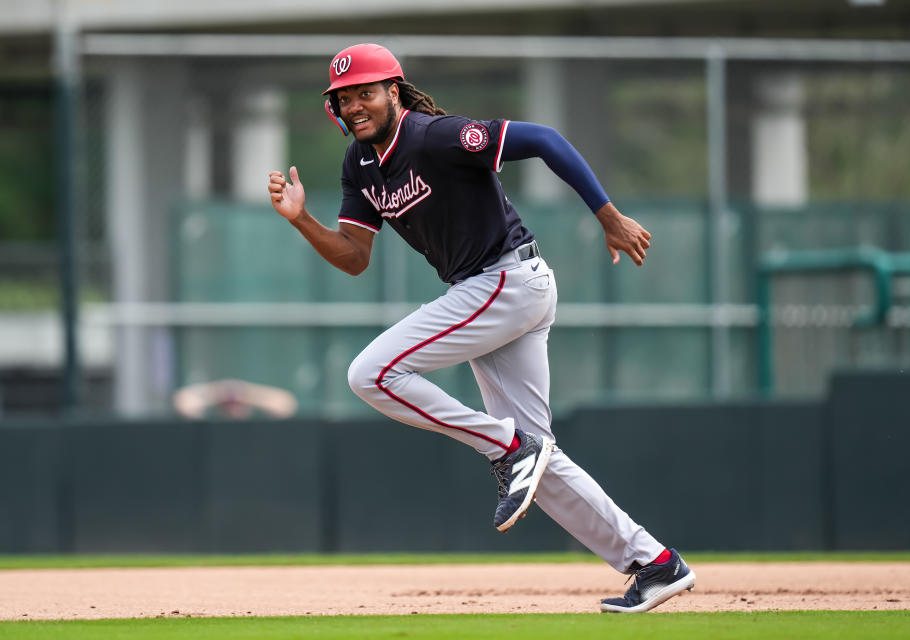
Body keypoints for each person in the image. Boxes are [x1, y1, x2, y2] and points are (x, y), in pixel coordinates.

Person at [267, 43, 695, 613]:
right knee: (541, 463)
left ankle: (504, 446)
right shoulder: (360, 164)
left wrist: (607, 215)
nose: (354, 105)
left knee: (370, 373)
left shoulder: (433, 136)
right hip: (493, 293)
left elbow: (545, 140)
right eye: (343, 98)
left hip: (505, 282)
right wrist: (301, 220)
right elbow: (354, 256)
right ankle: (655, 563)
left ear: (394, 91)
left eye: (365, 92)